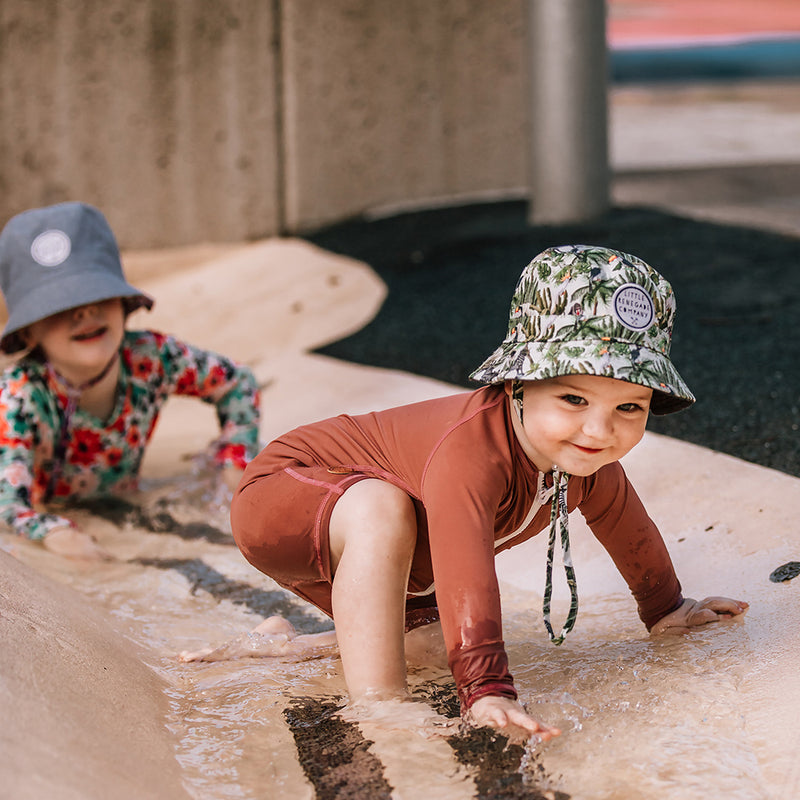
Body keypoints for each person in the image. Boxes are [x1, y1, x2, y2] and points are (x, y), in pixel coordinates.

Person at [186, 244, 747, 741]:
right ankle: (378, 704)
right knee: (381, 509)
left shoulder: (587, 464)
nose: (599, 431)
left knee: (431, 647)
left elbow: (630, 531)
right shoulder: (472, 451)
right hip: (285, 493)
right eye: (574, 400)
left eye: (629, 407)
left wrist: (667, 609)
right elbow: (464, 568)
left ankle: (279, 646)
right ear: (518, 383)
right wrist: (487, 688)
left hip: (374, 535)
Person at [0, 201, 261, 559]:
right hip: (57, 504)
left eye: (96, 293)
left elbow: (238, 382)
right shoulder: (20, 397)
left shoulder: (150, 360)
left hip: (121, 496)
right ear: (28, 334)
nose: (85, 311)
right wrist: (50, 531)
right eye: (59, 306)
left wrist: (234, 458)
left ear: (122, 302)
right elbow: (9, 503)